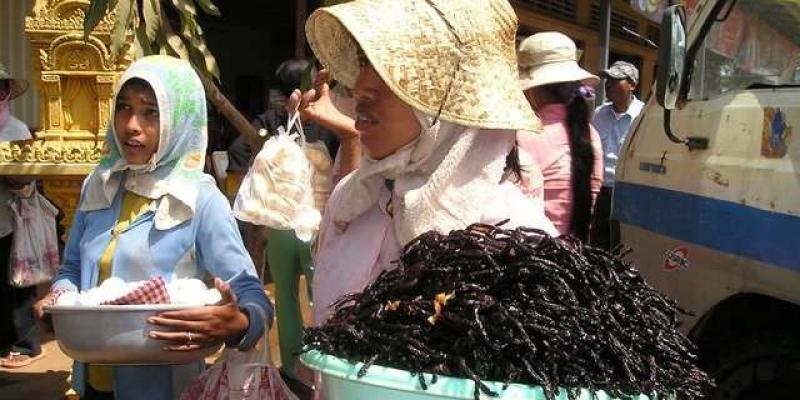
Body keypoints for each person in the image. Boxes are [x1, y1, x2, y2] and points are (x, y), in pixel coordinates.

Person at [304, 0, 556, 328]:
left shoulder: (511, 236)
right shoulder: (349, 200)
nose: (361, 88)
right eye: (366, 61)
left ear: (448, 102)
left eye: (393, 68)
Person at [33, 55, 272, 400]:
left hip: (167, 388)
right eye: (124, 108)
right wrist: (59, 296)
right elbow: (71, 269)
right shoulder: (99, 186)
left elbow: (252, 296)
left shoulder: (199, 199)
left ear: (180, 120)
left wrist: (239, 324)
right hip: (93, 384)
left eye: (150, 112)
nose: (131, 125)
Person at [516, 32, 604, 241]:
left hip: (531, 255)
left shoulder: (520, 135)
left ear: (532, 91)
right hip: (576, 254)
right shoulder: (591, 135)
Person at [0, 63, 46, 369]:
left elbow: (27, 176)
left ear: (6, 93)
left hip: (10, 217)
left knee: (16, 284)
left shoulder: (15, 129)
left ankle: (23, 344)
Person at [590, 60, 644, 250]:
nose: (609, 85)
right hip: (601, 191)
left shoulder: (643, 117)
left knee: (623, 246)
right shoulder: (599, 114)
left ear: (632, 85)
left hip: (628, 194)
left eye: (616, 80)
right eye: (608, 80)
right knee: (598, 244)